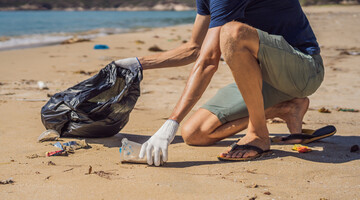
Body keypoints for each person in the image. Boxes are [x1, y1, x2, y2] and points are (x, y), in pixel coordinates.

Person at [115, 0, 324, 166]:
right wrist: (136, 64)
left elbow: (208, 61)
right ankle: (286, 107)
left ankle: (258, 134)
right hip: (266, 77)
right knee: (195, 133)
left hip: (303, 71)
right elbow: (194, 49)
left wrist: (171, 122)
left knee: (233, 33)